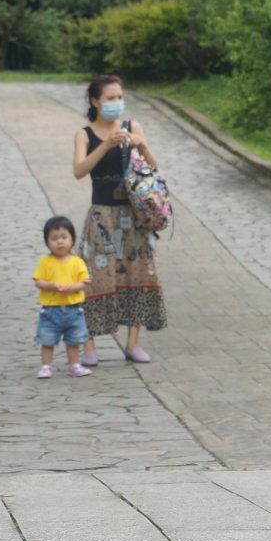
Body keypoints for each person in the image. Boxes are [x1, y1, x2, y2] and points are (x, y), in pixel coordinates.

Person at [73, 75, 167, 366]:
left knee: (138, 275)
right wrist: (105, 146)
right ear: (95, 101)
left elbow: (152, 167)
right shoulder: (85, 134)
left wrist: (141, 145)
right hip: (102, 215)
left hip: (133, 217)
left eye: (119, 97)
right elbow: (78, 171)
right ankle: (89, 347)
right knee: (94, 278)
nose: (116, 103)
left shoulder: (132, 126)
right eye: (110, 98)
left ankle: (132, 344)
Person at [33, 216, 91, 379]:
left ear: (72, 239)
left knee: (74, 339)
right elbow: (38, 281)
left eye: (64, 237)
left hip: (74, 309)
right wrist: (51, 286)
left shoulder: (77, 261)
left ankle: (73, 364)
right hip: (51, 310)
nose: (60, 242)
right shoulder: (45, 262)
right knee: (47, 339)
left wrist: (71, 288)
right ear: (47, 242)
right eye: (54, 238)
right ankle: (46, 366)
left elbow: (84, 282)